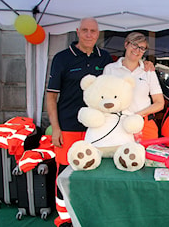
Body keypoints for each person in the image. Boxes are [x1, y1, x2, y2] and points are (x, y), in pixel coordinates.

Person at [46, 17, 113, 227]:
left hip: (97, 128)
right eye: (84, 30)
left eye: (93, 31)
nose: (89, 34)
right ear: (77, 31)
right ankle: (64, 219)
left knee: (94, 173)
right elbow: (51, 97)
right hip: (68, 127)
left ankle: (88, 216)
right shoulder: (62, 58)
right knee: (65, 174)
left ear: (97, 33)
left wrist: (145, 64)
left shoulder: (105, 58)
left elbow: (119, 78)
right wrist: (55, 128)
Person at [103, 32, 164, 140]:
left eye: (142, 48)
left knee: (147, 157)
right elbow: (103, 98)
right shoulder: (110, 69)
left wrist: (138, 115)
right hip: (118, 124)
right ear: (126, 44)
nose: (137, 50)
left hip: (144, 124)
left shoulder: (148, 71)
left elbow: (160, 103)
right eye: (134, 45)